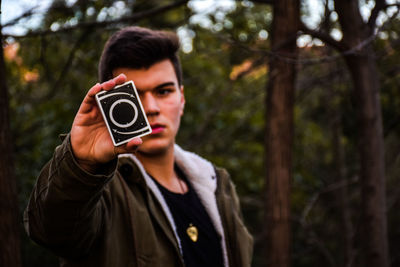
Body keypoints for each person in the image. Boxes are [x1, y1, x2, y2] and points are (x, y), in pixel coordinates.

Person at [24, 26, 253, 267]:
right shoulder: (97, 191)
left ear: (182, 99)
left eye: (163, 91)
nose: (151, 108)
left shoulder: (217, 184)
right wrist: (80, 163)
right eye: (134, 95)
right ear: (108, 104)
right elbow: (52, 233)